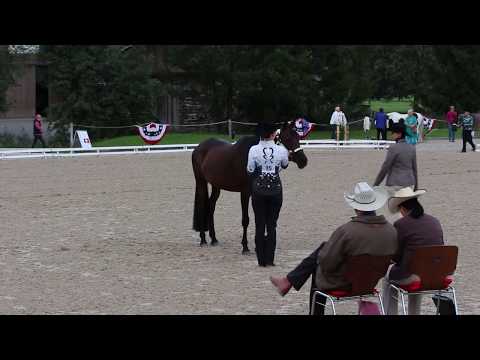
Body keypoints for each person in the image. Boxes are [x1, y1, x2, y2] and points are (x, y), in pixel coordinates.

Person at [270, 182, 398, 315]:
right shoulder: (391, 231)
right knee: (324, 248)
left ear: (356, 208)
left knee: (319, 262)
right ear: (375, 205)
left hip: (343, 284)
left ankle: (290, 284)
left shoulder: (347, 231)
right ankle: (288, 281)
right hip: (369, 283)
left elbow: (327, 263)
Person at [382, 187, 445, 315]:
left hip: (414, 275)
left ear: (403, 209)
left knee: (389, 279)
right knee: (418, 269)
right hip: (438, 274)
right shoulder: (434, 221)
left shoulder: (401, 224)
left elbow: (396, 256)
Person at [247, 122, 289, 267]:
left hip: (259, 189)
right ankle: (270, 259)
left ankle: (261, 260)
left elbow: (250, 169)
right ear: (273, 134)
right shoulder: (281, 149)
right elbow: (284, 165)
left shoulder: (253, 149)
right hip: (275, 189)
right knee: (272, 225)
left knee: (259, 224)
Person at [373, 123, 418, 191]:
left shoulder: (393, 148)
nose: (391, 135)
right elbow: (414, 168)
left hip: (396, 184)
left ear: (399, 134)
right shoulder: (412, 148)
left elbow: (385, 167)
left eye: (393, 133)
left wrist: (376, 184)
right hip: (410, 183)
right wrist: (416, 186)